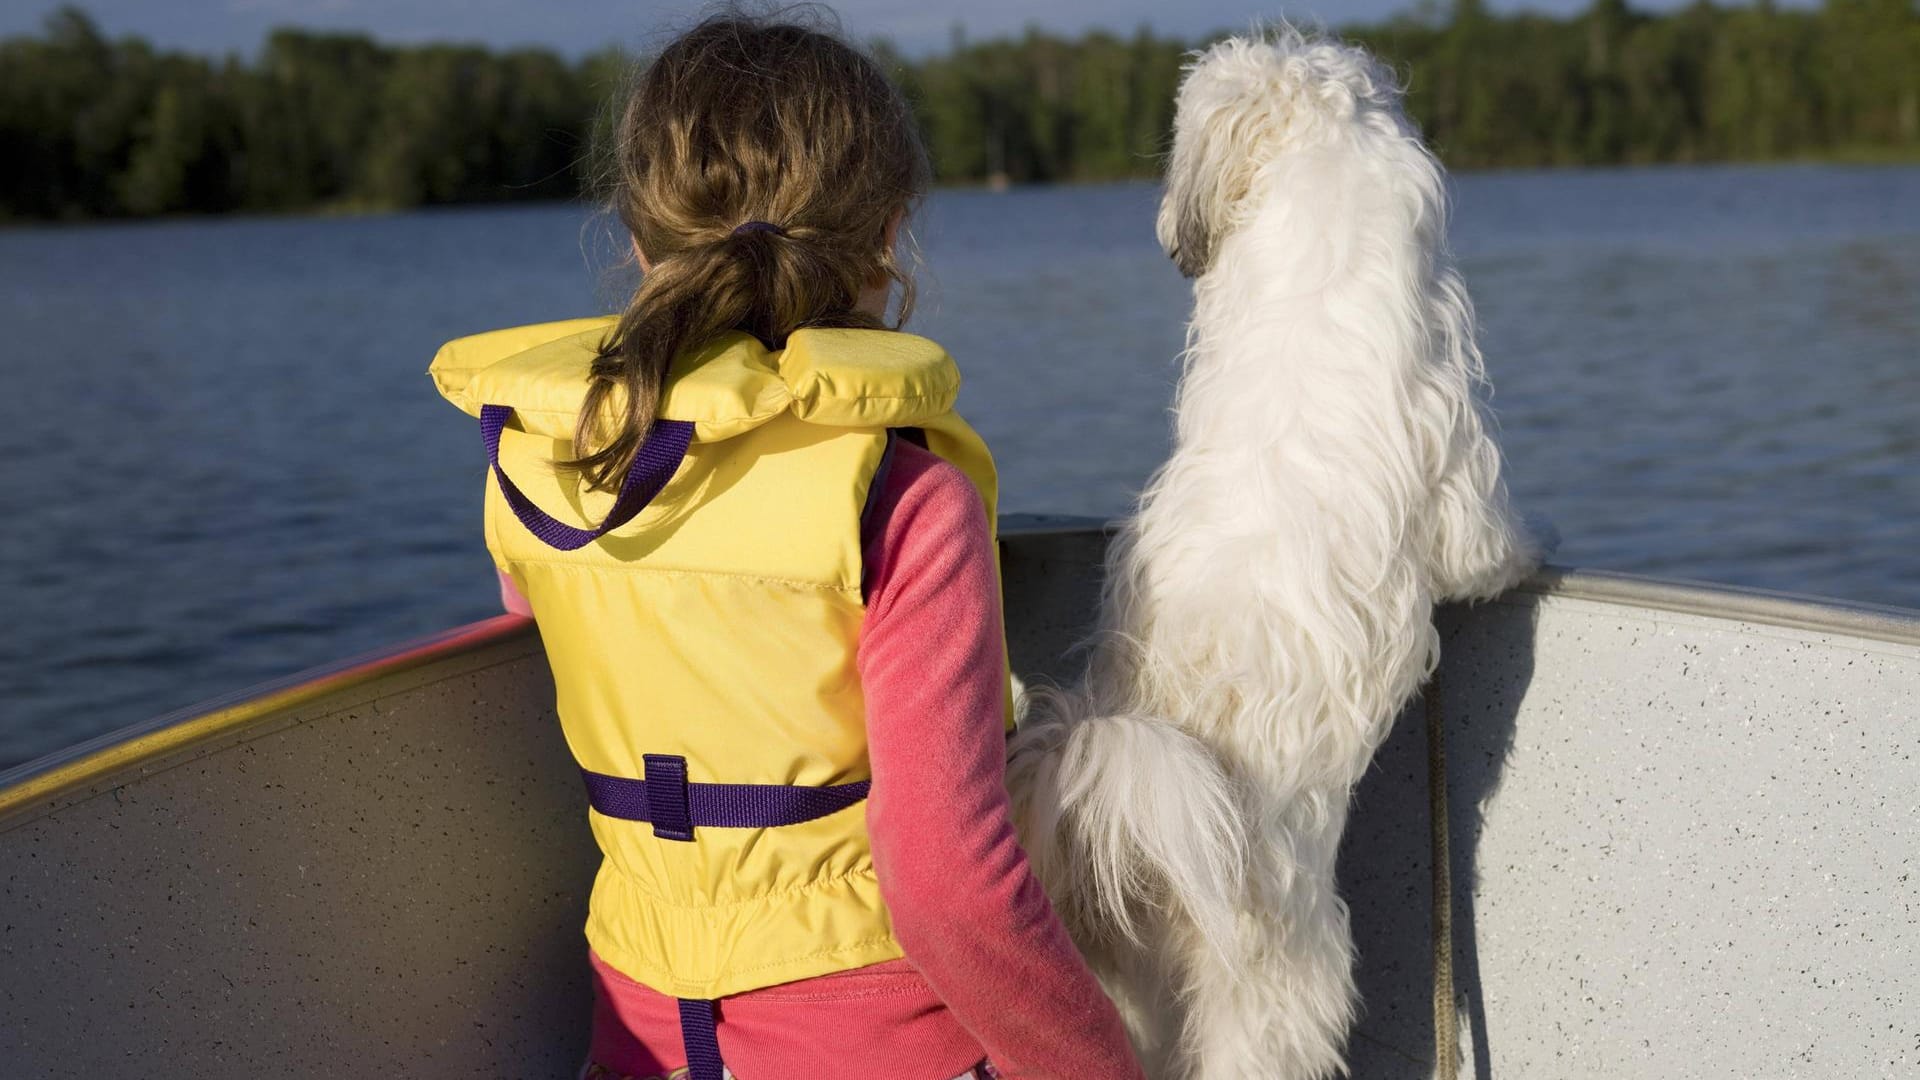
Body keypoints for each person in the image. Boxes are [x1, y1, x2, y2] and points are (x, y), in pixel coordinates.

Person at [428, 14, 1145, 1080]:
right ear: (891, 235)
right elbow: (946, 883)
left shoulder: (549, 475)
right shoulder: (901, 501)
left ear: (634, 239)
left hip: (644, 1042)